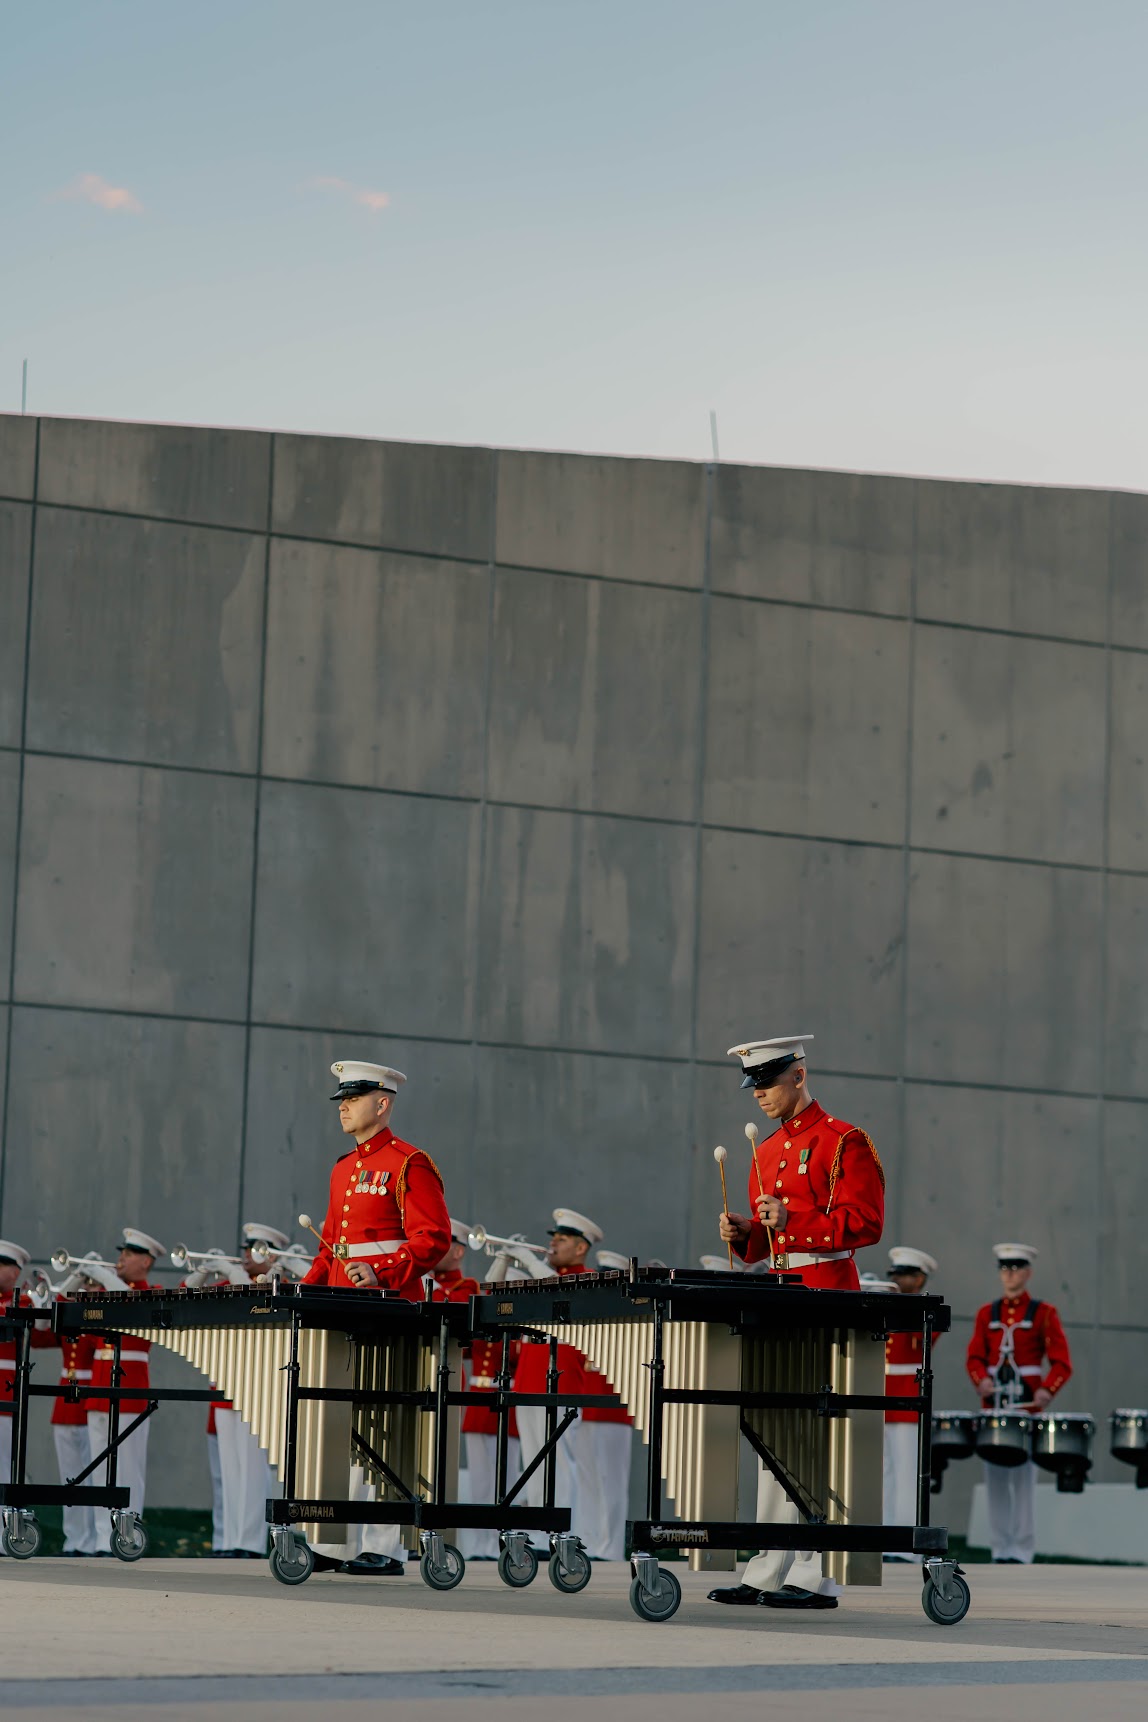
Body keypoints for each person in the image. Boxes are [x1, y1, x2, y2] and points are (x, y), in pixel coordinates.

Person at [710, 1035, 885, 1611]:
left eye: (768, 1083)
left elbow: (865, 1223)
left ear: (799, 1075)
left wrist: (794, 1217)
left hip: (830, 1297)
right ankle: (766, 1564)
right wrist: (747, 1234)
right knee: (772, 1436)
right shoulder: (763, 1152)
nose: (759, 1096)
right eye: (753, 1086)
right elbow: (768, 1243)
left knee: (819, 1438)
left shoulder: (844, 1142)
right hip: (783, 1296)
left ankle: (816, 1571)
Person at [302, 1058, 451, 1575]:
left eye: (354, 1097)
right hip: (341, 1311)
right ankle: (334, 1541)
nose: (343, 1106)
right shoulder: (343, 1168)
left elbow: (433, 1239)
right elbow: (330, 1250)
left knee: (383, 1426)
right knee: (338, 1423)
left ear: (382, 1103)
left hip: (389, 1310)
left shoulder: (409, 1163)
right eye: (341, 1098)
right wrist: (299, 1293)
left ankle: (384, 1545)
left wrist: (382, 1271)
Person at [966, 1242, 1072, 1564]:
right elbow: (974, 1356)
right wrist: (981, 1380)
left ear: (1028, 1272)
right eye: (1004, 1269)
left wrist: (1046, 1391)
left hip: (1026, 1406)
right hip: (996, 1405)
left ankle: (1022, 1550)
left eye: (1015, 1269)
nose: (1009, 1275)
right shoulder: (987, 1313)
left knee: (1024, 1482)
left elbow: (1061, 1362)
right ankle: (1000, 1548)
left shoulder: (1043, 1313)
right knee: (995, 1478)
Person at [512, 1211, 599, 1551]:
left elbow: (555, 1287)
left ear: (580, 1248)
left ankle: (561, 1533)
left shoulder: (586, 1279)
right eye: (554, 1238)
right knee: (532, 1462)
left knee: (558, 1460)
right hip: (529, 1382)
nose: (552, 1244)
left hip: (561, 1382)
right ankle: (538, 1532)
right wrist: (508, 1260)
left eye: (561, 1240)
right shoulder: (545, 1276)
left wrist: (528, 1262)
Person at [212, 1223, 292, 1558]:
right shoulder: (231, 1284)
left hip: (257, 1385)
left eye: (254, 1249)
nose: (246, 1255)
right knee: (231, 1469)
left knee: (252, 1469)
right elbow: (187, 1287)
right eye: (246, 1249)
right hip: (229, 1384)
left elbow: (260, 1299)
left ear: (271, 1254)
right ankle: (232, 1538)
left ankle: (250, 1540)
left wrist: (236, 1274)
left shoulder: (281, 1285)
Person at [87, 1229, 165, 1520]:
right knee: (97, 1466)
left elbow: (132, 1304)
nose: (121, 1258)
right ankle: (99, 1538)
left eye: (129, 1254)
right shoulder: (104, 1293)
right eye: (122, 1252)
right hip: (99, 1385)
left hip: (130, 1387)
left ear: (146, 1262)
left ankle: (128, 1529)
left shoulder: (151, 1292)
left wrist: (106, 1277)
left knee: (128, 1465)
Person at [882, 1246, 938, 1561]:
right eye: (896, 1274)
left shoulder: (921, 1311)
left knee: (907, 1473)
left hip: (906, 1397)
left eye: (904, 1275)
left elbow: (920, 1342)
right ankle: (889, 1537)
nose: (898, 1280)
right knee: (886, 1473)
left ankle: (907, 1546)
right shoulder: (891, 1306)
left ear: (919, 1280)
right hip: (884, 1396)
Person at [0, 1242, 32, 1487]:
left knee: (2, 1468)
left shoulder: (22, 1303)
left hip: (4, 1393)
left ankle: (3, 1525)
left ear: (15, 1272)